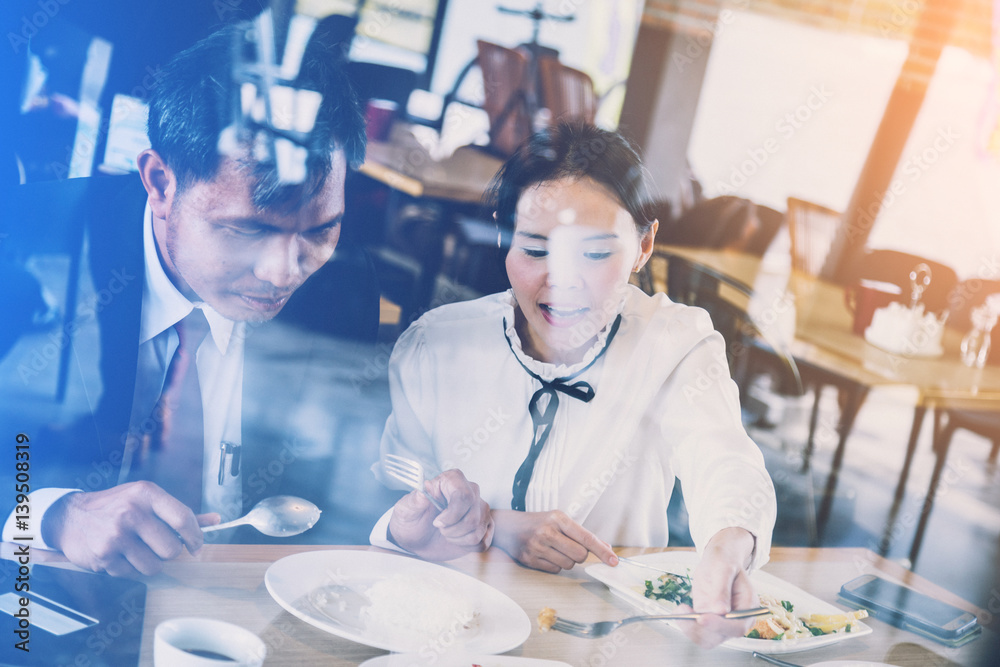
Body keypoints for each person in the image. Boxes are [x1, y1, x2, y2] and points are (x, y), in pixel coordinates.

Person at [0, 21, 490, 577]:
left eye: (319, 230)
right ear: (160, 182)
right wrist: (54, 514)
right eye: (246, 231)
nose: (284, 273)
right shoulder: (23, 252)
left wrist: (399, 532)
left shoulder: (346, 293)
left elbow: (328, 507)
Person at [373, 123, 776, 647]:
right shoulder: (436, 347)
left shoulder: (674, 344)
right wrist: (476, 525)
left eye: (593, 254)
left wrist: (727, 545)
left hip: (604, 640)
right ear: (503, 234)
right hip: (449, 632)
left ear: (644, 245)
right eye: (536, 250)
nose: (562, 280)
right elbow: (395, 510)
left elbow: (725, 460)